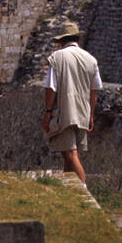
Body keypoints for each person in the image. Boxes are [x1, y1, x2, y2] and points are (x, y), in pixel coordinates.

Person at [42, 22, 102, 184]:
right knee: (68, 155)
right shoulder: (91, 59)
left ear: (61, 41)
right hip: (83, 112)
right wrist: (91, 115)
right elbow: (95, 90)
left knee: (70, 154)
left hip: (65, 111)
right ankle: (69, 191)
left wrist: (47, 112)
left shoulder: (57, 58)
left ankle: (84, 193)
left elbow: (51, 88)